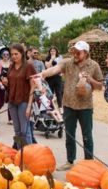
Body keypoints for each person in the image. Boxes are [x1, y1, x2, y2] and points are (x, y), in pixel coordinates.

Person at [39, 41, 103, 170]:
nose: (75, 53)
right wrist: (43, 74)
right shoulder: (68, 63)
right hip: (68, 105)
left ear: (86, 53)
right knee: (69, 135)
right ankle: (70, 161)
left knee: (87, 136)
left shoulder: (94, 65)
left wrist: (90, 80)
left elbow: (100, 86)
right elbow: (55, 69)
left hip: (85, 107)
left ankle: (89, 163)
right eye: (73, 51)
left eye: (78, 51)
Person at [8, 44, 37, 147]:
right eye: (12, 54)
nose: (14, 56)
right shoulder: (11, 66)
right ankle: (20, 154)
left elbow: (33, 86)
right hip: (12, 101)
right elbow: (12, 83)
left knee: (25, 131)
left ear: (22, 53)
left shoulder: (28, 66)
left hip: (24, 102)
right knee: (17, 131)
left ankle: (29, 155)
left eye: (16, 54)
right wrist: (4, 82)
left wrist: (29, 106)